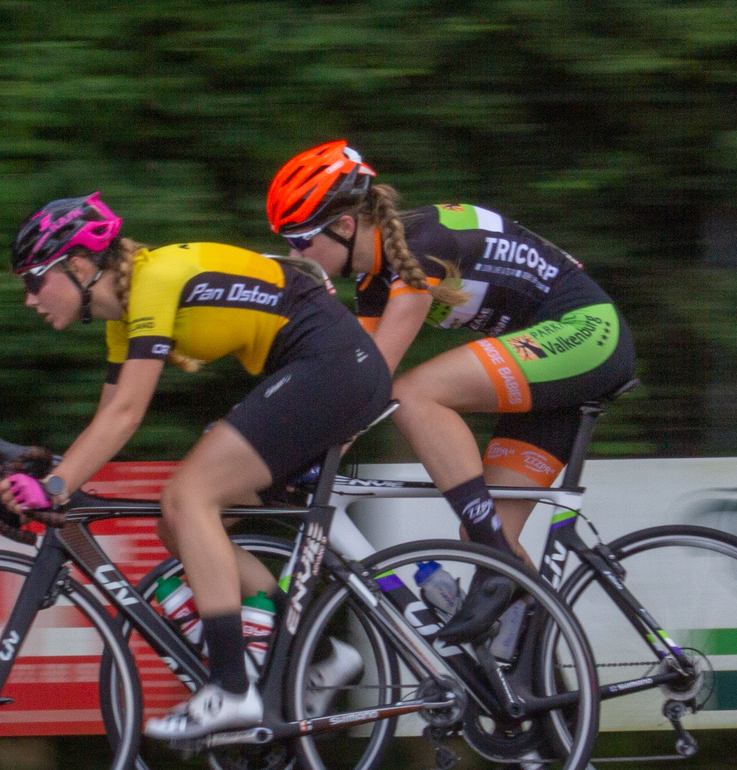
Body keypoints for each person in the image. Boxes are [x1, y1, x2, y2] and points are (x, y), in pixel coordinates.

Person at [0, 193, 393, 739]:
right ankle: (322, 655)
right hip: (322, 369)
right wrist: (51, 481)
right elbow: (108, 417)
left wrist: (55, 487)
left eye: (33, 281)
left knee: (189, 498)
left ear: (79, 265)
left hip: (332, 367)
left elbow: (129, 415)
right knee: (177, 521)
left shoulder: (155, 281)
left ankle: (231, 690)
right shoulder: (127, 313)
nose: (29, 299)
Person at [264, 142, 635, 640]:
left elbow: (375, 380)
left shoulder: (421, 247)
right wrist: (312, 458)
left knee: (414, 392)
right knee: (480, 538)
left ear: (345, 226)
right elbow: (351, 390)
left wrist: (300, 452)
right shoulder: (375, 282)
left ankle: (496, 554)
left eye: (301, 241)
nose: (295, 256)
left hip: (587, 333)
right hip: (550, 368)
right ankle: (536, 689)